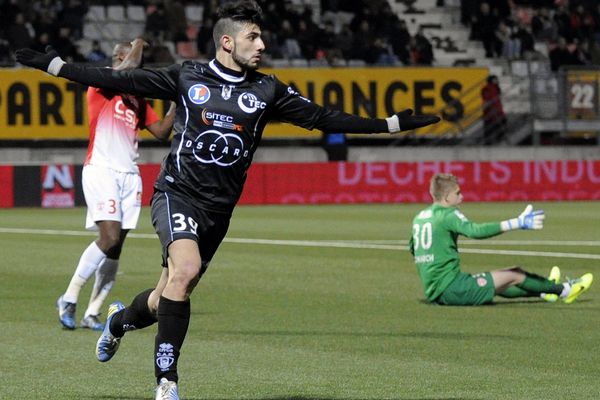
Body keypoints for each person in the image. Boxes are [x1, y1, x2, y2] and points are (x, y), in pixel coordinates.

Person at [16, 1, 440, 398]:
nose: (262, 45)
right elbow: (119, 79)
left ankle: (118, 320)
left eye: (261, 38)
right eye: (253, 37)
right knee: (186, 270)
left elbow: (325, 118)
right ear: (227, 42)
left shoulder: (268, 90)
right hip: (176, 193)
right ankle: (167, 381)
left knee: (168, 291)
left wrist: (390, 123)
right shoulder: (187, 77)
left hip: (218, 211)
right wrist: (56, 66)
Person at [55, 38, 177, 331]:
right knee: (108, 237)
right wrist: (138, 43)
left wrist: (177, 101)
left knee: (116, 247)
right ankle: (69, 297)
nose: (118, 61)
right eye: (116, 57)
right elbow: (130, 67)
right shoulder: (100, 86)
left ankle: (92, 312)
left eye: (121, 56)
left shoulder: (137, 99)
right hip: (102, 169)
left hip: (128, 175)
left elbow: (161, 132)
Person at [409, 173, 593, 306]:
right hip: (452, 288)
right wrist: (516, 223)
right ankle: (566, 290)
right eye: (458, 193)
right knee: (515, 273)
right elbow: (475, 231)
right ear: (447, 197)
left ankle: (545, 290)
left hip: (436, 289)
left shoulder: (420, 217)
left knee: (503, 283)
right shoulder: (448, 214)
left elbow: (413, 248)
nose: (462, 197)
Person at [480, 74, 506, 145]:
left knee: (499, 125)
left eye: (496, 79)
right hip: (491, 111)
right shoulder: (488, 88)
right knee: (491, 127)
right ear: (491, 80)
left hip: (496, 110)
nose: (496, 81)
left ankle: (495, 141)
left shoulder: (496, 88)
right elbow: (487, 99)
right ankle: (489, 142)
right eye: (495, 79)